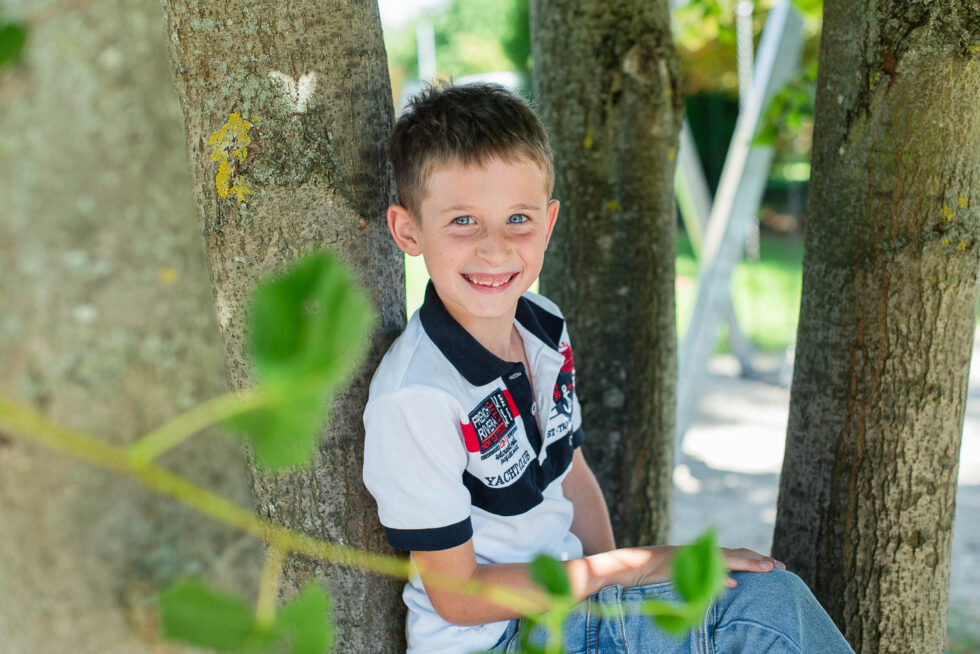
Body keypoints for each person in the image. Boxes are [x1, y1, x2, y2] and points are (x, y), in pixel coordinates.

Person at [362, 82, 852, 654]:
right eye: (464, 221)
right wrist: (632, 568)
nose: (495, 249)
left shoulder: (543, 326)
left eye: (517, 219)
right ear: (409, 231)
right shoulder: (417, 394)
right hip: (493, 638)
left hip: (569, 611)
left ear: (548, 224)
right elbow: (458, 597)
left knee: (765, 598)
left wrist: (622, 590)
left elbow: (572, 474)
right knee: (766, 615)